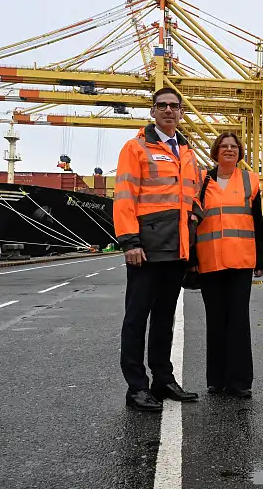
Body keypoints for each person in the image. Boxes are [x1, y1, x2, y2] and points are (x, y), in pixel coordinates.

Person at [114, 87, 201, 412]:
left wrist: (196, 214)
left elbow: (191, 195)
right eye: (162, 106)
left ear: (180, 113)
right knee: (136, 319)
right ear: (153, 111)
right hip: (146, 248)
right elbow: (124, 197)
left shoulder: (186, 152)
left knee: (165, 318)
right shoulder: (136, 148)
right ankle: (136, 387)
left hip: (176, 249)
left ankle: (162, 379)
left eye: (174, 106)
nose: (168, 110)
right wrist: (130, 242)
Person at [194, 132, 263, 399]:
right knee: (215, 321)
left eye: (233, 147)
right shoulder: (201, 181)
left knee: (238, 321)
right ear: (215, 151)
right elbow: (193, 222)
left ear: (240, 152)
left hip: (240, 260)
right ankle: (216, 379)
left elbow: (256, 221)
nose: (229, 150)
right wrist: (191, 260)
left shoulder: (250, 180)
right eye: (224, 146)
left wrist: (260, 258)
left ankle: (240, 382)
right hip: (209, 259)